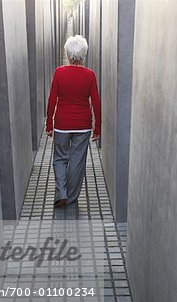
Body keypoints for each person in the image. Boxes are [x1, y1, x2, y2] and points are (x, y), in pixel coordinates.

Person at [46, 34, 102, 207]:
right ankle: (70, 197)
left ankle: (61, 192)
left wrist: (49, 124)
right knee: (77, 161)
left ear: (68, 54)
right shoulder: (90, 75)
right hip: (83, 125)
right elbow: (96, 103)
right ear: (83, 54)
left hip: (62, 124)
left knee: (60, 158)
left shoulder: (59, 72)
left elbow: (52, 100)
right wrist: (97, 128)